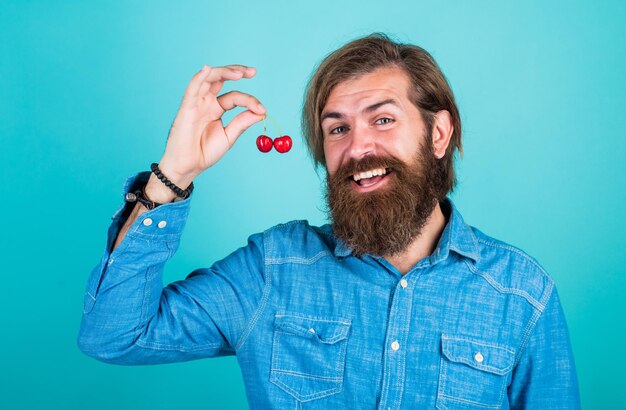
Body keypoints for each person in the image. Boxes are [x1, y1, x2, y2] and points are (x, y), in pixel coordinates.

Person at [77, 33, 580, 409]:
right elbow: (115, 336)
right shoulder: (272, 268)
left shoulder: (522, 295)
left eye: (383, 120)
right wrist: (173, 175)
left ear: (439, 133)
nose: (358, 147)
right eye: (337, 128)